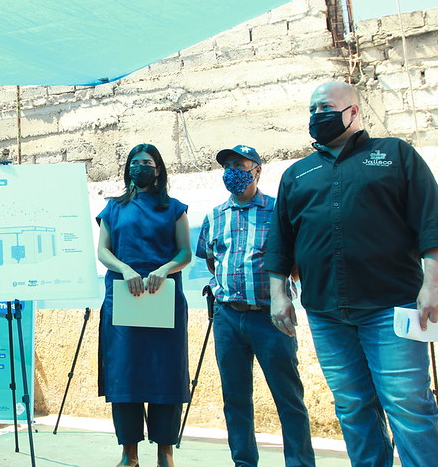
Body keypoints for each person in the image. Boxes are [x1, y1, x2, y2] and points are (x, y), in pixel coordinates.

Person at [266, 81, 438, 467]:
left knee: (408, 405)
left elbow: (432, 221)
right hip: (327, 313)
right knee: (351, 406)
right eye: (312, 109)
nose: (317, 115)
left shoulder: (395, 154)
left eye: (326, 107)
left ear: (353, 111)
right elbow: (280, 241)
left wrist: (435, 284)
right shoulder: (297, 174)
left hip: (391, 308)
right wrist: (278, 295)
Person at [196, 145, 315, 467]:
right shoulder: (214, 216)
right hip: (228, 318)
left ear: (257, 170)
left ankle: (300, 463)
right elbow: (211, 261)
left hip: (272, 320)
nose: (231, 171)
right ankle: (244, 462)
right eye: (227, 166)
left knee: (288, 398)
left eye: (239, 165)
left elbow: (296, 264)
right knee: (235, 398)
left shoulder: (279, 212)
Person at [96, 143, 193, 467]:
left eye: (147, 162)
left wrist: (164, 270)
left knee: (166, 374)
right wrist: (124, 269)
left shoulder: (175, 208)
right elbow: (104, 251)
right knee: (125, 375)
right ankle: (129, 453)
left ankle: (165, 452)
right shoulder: (113, 208)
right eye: (135, 162)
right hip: (123, 298)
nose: (141, 167)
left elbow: (184, 253)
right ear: (128, 169)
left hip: (162, 298)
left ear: (159, 169)